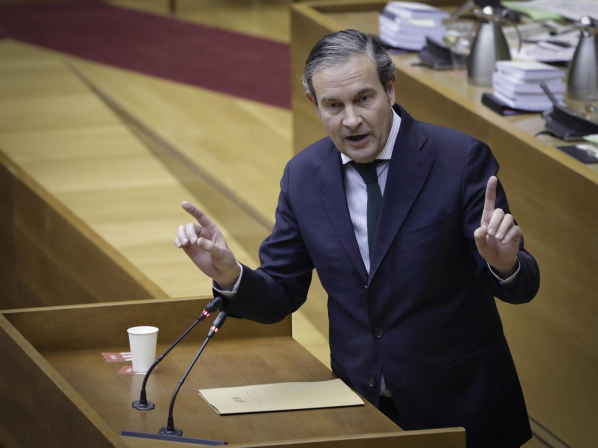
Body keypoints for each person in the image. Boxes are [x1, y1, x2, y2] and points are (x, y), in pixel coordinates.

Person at [174, 30, 540, 448]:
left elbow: (523, 285)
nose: (350, 120)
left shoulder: (460, 159)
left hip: (460, 411)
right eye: (333, 105)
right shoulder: (303, 176)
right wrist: (230, 275)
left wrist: (505, 264)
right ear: (314, 103)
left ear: (390, 89)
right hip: (362, 408)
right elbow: (280, 291)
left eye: (364, 99)